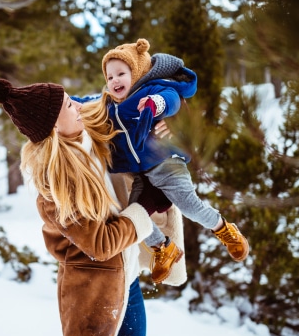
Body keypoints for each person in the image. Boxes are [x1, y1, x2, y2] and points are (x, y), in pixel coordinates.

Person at [0, 78, 169, 336]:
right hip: (92, 298)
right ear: (55, 125)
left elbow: (119, 110)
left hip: (128, 283)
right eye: (69, 105)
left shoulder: (87, 132)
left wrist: (155, 124)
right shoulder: (56, 185)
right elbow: (102, 243)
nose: (78, 106)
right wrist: (145, 207)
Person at [74, 38, 249, 284]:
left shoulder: (152, 89)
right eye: (110, 77)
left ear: (135, 72)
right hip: (144, 176)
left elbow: (172, 98)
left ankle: (224, 229)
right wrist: (62, 99)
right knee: (133, 216)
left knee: (190, 206)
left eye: (121, 74)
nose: (114, 81)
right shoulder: (108, 104)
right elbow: (83, 102)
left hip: (168, 164)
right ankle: (164, 248)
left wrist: (157, 105)